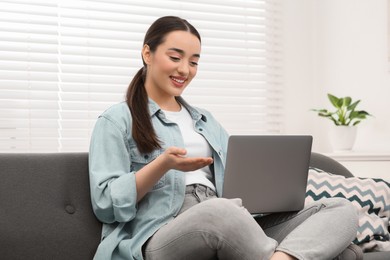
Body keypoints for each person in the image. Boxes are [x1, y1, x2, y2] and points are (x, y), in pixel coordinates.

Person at [89, 16, 359, 260]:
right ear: (147, 53)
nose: (185, 70)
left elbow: (235, 186)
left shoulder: (205, 121)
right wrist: (163, 164)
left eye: (194, 62)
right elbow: (106, 204)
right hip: (160, 233)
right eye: (175, 58)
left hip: (229, 217)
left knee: (340, 209)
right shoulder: (117, 120)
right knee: (222, 212)